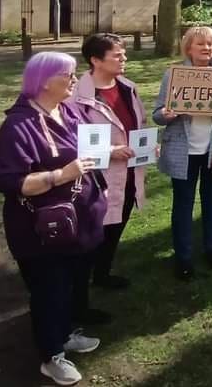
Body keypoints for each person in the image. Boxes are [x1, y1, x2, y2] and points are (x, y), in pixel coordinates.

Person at [0, 52, 107, 386]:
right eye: (68, 76)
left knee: (73, 283)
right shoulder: (18, 126)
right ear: (44, 81)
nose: (75, 81)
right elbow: (13, 183)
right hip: (42, 231)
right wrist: (61, 174)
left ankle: (66, 332)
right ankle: (50, 355)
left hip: (80, 220)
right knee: (49, 290)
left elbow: (89, 150)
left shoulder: (68, 110)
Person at [154, 27, 212, 280]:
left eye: (210, 44)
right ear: (188, 47)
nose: (206, 48)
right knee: (183, 203)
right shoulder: (174, 75)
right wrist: (166, 115)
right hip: (184, 149)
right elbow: (158, 113)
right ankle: (183, 257)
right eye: (200, 44)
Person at [70, 34, 146, 290]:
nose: (124, 58)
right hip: (95, 177)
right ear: (95, 60)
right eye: (117, 55)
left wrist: (146, 144)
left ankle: (103, 273)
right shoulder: (77, 96)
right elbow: (69, 139)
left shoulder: (128, 87)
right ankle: (80, 285)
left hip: (128, 172)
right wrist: (110, 150)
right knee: (94, 231)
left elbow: (138, 122)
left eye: (123, 54)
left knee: (117, 224)